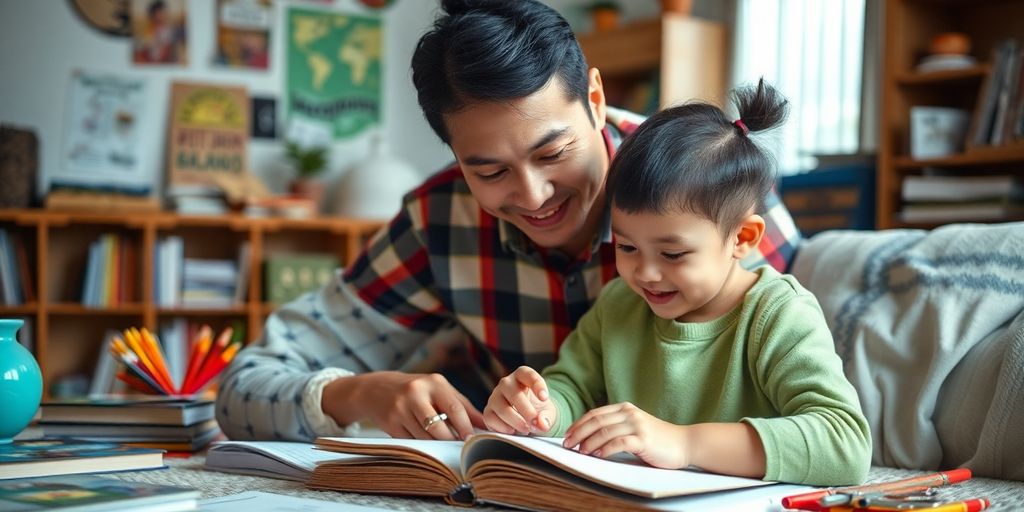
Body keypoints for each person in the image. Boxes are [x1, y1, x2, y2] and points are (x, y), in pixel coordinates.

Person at [215, 0, 801, 443]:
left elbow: (816, 399)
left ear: (595, 99)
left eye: (552, 153)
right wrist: (360, 392)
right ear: (454, 157)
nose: (533, 195)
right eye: (489, 171)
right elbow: (242, 389)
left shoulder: (712, 189)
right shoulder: (440, 220)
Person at [482, 80, 870, 486]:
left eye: (672, 255)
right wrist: (539, 408)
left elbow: (845, 445)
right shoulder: (619, 305)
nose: (645, 274)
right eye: (627, 247)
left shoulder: (776, 314)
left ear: (742, 239)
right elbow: (572, 389)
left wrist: (684, 443)